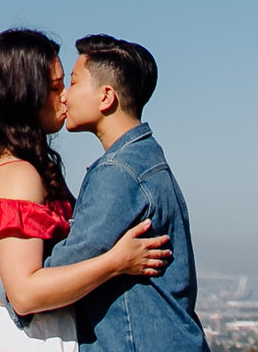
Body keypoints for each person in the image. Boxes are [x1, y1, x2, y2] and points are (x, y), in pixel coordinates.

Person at [0, 29, 171, 352]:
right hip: (24, 338)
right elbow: (26, 293)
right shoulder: (18, 176)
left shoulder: (21, 167)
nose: (65, 96)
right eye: (55, 87)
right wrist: (116, 262)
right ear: (24, 95)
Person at [42, 35, 208, 352]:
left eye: (73, 83)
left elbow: (65, 267)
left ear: (106, 97)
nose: (64, 96)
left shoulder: (118, 173)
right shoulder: (145, 161)